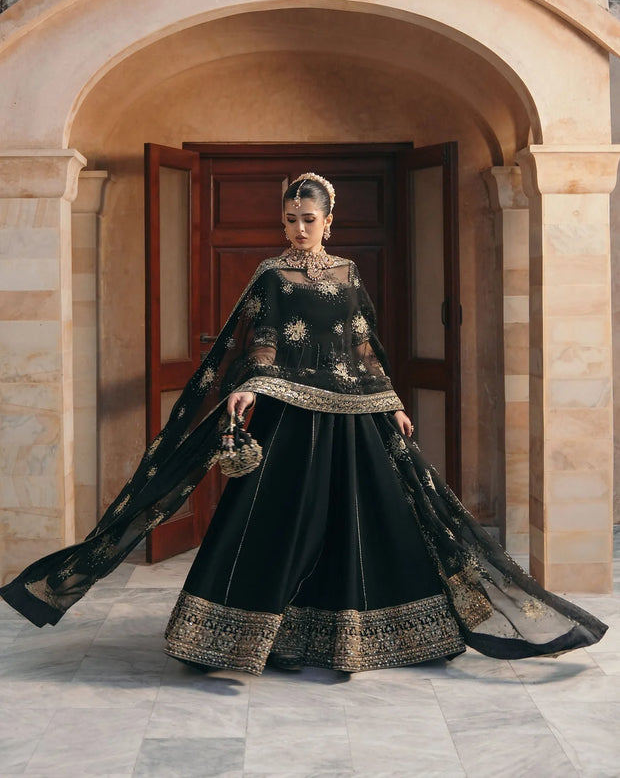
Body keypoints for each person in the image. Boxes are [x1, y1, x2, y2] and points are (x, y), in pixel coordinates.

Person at [0, 174, 607, 675]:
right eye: (290, 219)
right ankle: (238, 642)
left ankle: (372, 637)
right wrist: (246, 390)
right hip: (289, 411)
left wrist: (391, 400)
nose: (298, 229)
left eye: (308, 219)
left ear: (328, 221)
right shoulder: (272, 276)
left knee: (366, 520)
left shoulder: (347, 275)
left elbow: (363, 342)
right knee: (275, 519)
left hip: (355, 414)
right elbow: (262, 343)